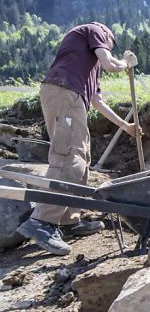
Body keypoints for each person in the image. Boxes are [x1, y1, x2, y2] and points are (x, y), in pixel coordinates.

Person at [17, 22, 141, 255]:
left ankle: (68, 220)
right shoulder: (96, 31)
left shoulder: (88, 68)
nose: (109, 48)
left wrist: (125, 126)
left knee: (81, 158)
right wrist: (125, 64)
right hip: (65, 94)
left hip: (69, 97)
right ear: (107, 36)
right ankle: (42, 221)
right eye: (110, 45)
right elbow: (110, 63)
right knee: (70, 157)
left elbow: (97, 101)